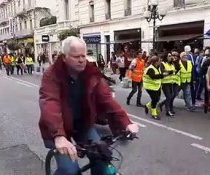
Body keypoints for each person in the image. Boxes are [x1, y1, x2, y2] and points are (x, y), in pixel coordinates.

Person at [38, 36, 139, 175]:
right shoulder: (52, 74)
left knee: (102, 158)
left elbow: (107, 99)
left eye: (83, 56)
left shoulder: (91, 73)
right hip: (58, 129)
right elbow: (50, 103)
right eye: (76, 56)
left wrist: (126, 122)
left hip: (82, 125)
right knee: (69, 170)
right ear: (64, 57)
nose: (81, 60)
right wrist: (59, 136)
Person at [144, 56, 172, 120]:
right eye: (160, 61)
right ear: (156, 62)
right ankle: (154, 114)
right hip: (149, 87)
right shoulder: (150, 69)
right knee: (155, 99)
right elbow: (153, 77)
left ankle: (147, 105)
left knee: (157, 98)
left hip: (157, 86)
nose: (161, 62)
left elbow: (160, 74)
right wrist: (164, 75)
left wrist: (168, 72)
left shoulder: (158, 67)